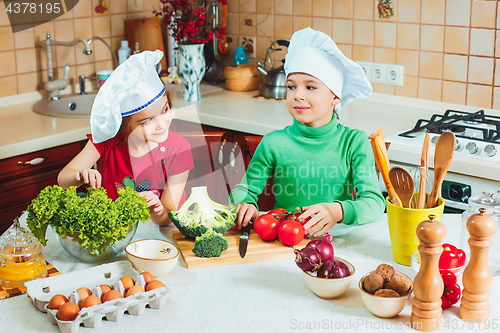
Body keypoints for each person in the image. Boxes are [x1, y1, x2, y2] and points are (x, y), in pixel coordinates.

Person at [229, 28, 385, 237]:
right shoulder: (273, 143)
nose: (297, 96)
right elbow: (244, 190)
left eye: (310, 87)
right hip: (284, 241)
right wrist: (244, 203)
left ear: (335, 96)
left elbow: (374, 203)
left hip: (335, 243)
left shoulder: (354, 142)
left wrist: (337, 210)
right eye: (291, 87)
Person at [58, 50, 194, 226]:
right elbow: (63, 179)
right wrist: (80, 175)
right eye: (147, 121)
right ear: (124, 125)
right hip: (118, 232)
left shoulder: (179, 149)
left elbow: (167, 216)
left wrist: (157, 209)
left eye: (165, 110)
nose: (161, 124)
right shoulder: (108, 141)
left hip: (159, 234)